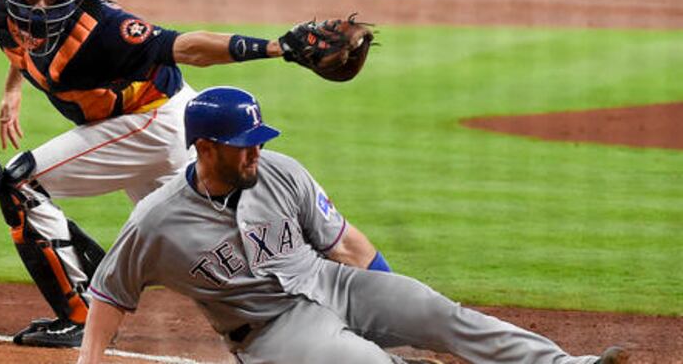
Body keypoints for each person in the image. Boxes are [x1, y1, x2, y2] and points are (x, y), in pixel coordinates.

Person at [78, 86, 630, 364]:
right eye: (244, 146)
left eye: (258, 143)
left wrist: (387, 303)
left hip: (334, 285)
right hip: (271, 329)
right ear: (203, 147)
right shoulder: (156, 220)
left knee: (440, 314)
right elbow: (109, 292)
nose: (256, 155)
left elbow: (347, 246)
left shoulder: (280, 172)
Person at [0, 0, 319, 348]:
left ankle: (80, 315)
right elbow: (21, 47)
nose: (39, 6)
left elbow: (189, 47)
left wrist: (275, 48)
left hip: (154, 121)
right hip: (136, 127)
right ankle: (311, 311)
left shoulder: (106, 31)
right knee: (201, 247)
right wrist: (12, 89)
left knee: (17, 183)